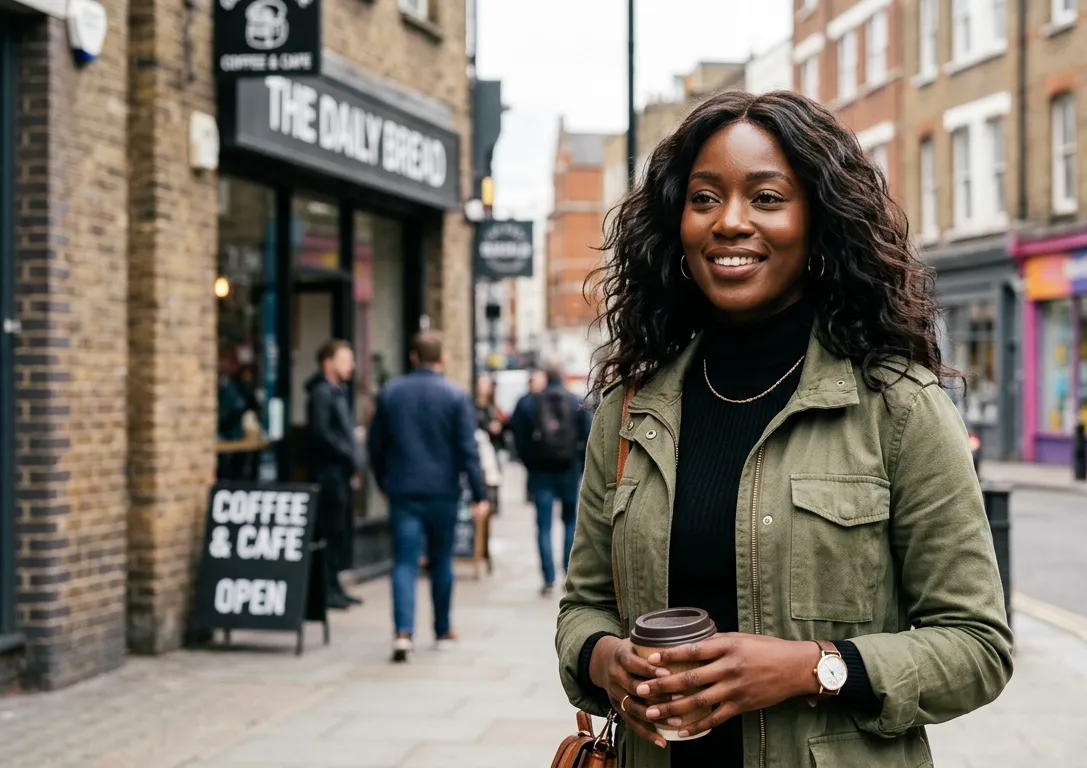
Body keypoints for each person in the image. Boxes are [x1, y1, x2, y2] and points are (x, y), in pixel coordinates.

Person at [555, 90, 1012, 767]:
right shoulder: (631, 409)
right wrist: (606, 661)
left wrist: (813, 668)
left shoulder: (898, 406)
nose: (730, 222)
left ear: (818, 223)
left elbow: (977, 645)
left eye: (766, 198)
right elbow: (582, 609)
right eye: (704, 198)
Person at [368, 330, 490, 662]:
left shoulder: (391, 393)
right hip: (443, 492)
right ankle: (442, 628)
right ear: (443, 359)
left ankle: (403, 632)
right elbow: (468, 449)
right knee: (441, 560)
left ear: (413, 356)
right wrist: (480, 493)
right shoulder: (455, 395)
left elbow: (375, 446)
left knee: (405, 562)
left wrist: (383, 480)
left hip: (403, 490)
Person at [510, 359, 591, 597]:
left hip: (540, 472)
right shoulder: (576, 401)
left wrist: (529, 462)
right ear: (564, 377)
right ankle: (567, 573)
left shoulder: (529, 402)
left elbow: (517, 435)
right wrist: (579, 464)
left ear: (545, 377)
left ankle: (547, 578)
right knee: (569, 522)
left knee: (543, 525)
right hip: (568, 470)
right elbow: (589, 436)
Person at [305, 340, 362, 610]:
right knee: (328, 530)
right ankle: (326, 590)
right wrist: (348, 454)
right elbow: (321, 434)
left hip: (341, 473)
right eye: (345, 359)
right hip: (328, 475)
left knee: (339, 532)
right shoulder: (321, 393)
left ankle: (335, 585)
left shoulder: (338, 392)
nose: (351, 365)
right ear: (328, 362)